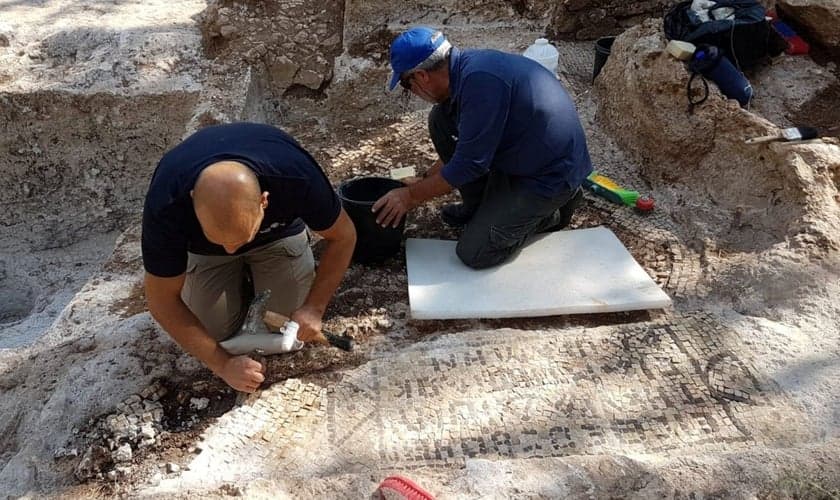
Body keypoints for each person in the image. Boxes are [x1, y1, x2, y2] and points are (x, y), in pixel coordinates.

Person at [142, 123, 356, 393]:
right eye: (223, 241)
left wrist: (315, 307)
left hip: (275, 236)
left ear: (264, 202)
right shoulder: (167, 203)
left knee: (285, 327)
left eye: (240, 240)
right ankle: (233, 275)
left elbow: (344, 235)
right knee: (211, 331)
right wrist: (221, 364)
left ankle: (251, 259)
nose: (231, 250)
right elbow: (161, 300)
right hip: (204, 253)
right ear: (194, 201)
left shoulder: (294, 176)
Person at [373, 27, 593, 269]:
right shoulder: (466, 74)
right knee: (441, 119)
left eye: (407, 84)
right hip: (524, 156)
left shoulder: (481, 85)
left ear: (422, 76)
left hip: (551, 175)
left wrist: (410, 197)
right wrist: (425, 179)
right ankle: (479, 208)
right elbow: (467, 148)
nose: (411, 92)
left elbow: (468, 164)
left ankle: (555, 211)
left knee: (474, 253)